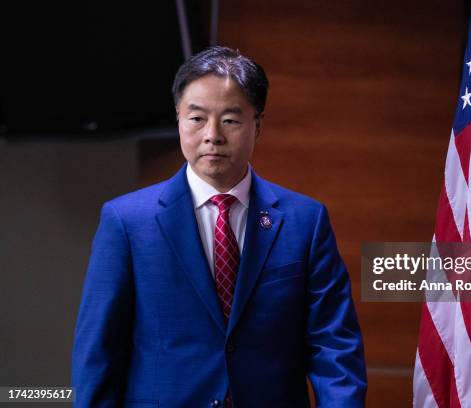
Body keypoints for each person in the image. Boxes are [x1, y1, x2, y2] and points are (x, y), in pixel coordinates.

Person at [71, 46, 367, 407]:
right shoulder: (127, 221)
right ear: (178, 119)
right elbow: (99, 352)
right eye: (196, 118)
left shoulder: (306, 221)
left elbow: (333, 345)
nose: (212, 135)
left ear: (257, 125)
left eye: (230, 120)